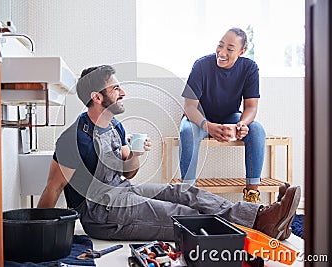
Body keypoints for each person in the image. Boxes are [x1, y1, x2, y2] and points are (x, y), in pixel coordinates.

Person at [37, 64, 300, 241]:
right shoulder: (73, 140)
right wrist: (40, 238)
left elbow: (127, 173)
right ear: (96, 97)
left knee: (183, 192)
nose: (123, 92)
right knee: (179, 213)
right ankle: (259, 228)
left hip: (123, 191)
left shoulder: (114, 125)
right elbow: (52, 189)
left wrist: (137, 155)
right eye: (115, 88)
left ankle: (259, 216)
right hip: (100, 212)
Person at [179, 27, 266, 203]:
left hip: (229, 117)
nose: (222, 52)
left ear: (241, 52)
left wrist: (241, 124)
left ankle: (251, 196)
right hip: (198, 118)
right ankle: (188, 195)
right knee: (187, 132)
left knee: (256, 130)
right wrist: (207, 125)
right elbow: (189, 107)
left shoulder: (250, 68)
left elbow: (251, 107)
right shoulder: (201, 65)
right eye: (220, 45)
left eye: (230, 49)